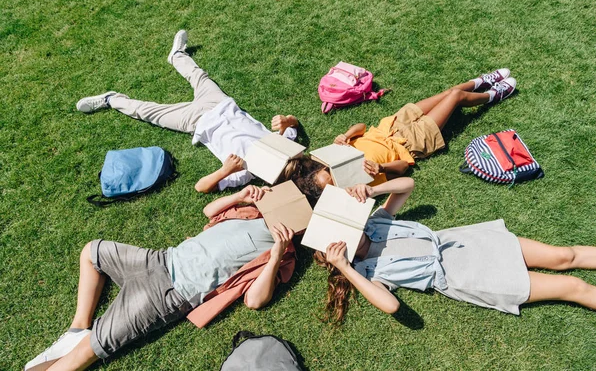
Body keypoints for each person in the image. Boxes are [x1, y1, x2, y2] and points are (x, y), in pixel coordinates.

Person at [25, 186, 296, 370]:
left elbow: (255, 300)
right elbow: (209, 211)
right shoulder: (252, 211)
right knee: (92, 251)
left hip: (169, 294)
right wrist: (241, 196)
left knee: (87, 352)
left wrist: (276, 254)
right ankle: (78, 327)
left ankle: (81, 340)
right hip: (158, 259)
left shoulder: (284, 254)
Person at [315, 178, 596, 324]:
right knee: (571, 286)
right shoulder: (369, 272)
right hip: (468, 275)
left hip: (469, 243)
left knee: (564, 256)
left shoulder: (378, 222)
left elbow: (408, 186)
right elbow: (391, 305)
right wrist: (344, 268)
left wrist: (375, 190)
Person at [75, 30, 299, 193]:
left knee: (149, 112)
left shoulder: (244, 172)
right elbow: (294, 125)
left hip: (197, 121)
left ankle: (111, 99)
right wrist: (286, 121)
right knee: (199, 76)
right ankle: (176, 56)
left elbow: (200, 187)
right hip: (221, 104)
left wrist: (225, 170)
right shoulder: (281, 142)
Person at [329, 70, 517, 185]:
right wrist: (381, 168)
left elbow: (361, 127)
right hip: (411, 141)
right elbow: (403, 167)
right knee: (455, 97)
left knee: (448, 93)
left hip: (394, 122)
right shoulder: (362, 179)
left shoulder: (339, 155)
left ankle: (481, 82)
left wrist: (346, 135)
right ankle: (493, 95)